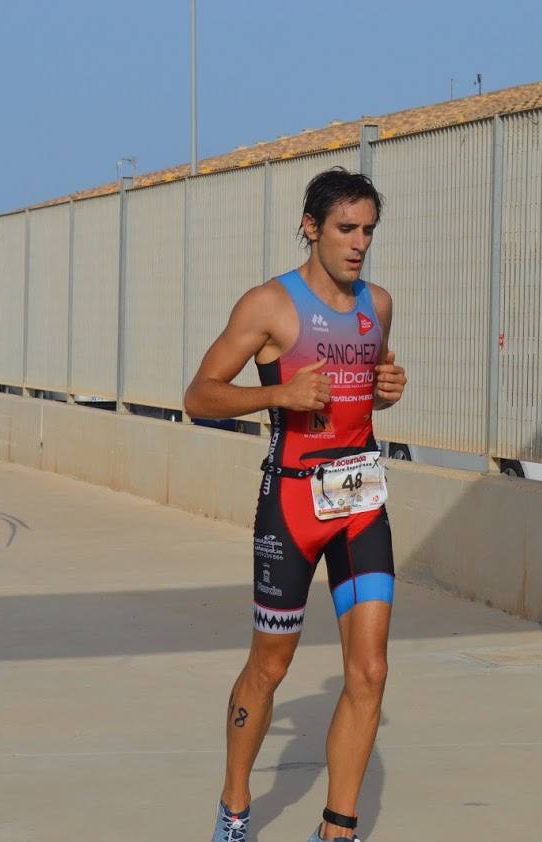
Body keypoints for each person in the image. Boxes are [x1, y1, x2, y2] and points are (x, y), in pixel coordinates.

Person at [184, 167, 407, 842]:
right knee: (270, 666)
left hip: (361, 498)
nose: (359, 243)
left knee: (370, 670)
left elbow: (367, 378)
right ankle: (234, 804)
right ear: (311, 228)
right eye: (346, 228)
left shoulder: (379, 303)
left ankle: (336, 830)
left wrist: (387, 386)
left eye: (368, 230)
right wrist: (276, 395)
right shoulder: (269, 307)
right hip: (292, 503)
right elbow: (199, 396)